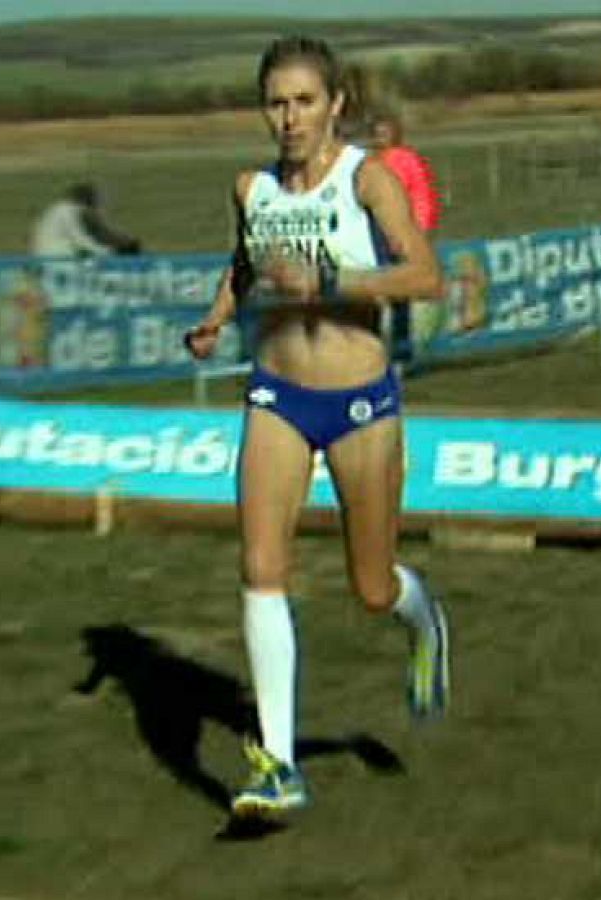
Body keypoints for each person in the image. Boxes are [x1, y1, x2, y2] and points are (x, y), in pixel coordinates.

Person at [183, 36, 449, 820]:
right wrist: (215, 318)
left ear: (334, 104)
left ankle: (425, 620)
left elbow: (426, 274)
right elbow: (244, 262)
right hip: (277, 397)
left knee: (371, 587)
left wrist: (332, 280)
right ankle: (279, 767)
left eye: (304, 101)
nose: (290, 118)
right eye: (276, 102)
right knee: (261, 567)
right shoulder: (251, 188)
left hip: (360, 401)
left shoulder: (366, 180)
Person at [370, 110, 442, 366]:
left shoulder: (407, 160)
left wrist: (419, 231)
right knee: (373, 291)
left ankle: (401, 351)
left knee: (400, 292)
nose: (380, 138)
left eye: (385, 133)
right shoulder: (370, 162)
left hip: (402, 233)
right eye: (376, 133)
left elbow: (422, 195)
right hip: (375, 234)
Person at [30, 182, 142, 259]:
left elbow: (96, 233)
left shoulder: (60, 209)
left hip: (49, 255)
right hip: (55, 258)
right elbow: (80, 239)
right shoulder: (67, 210)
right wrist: (107, 253)